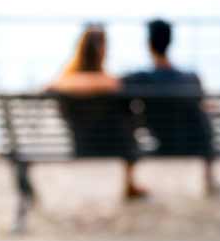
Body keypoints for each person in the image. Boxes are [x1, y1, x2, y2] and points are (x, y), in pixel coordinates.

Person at [47, 24, 147, 199]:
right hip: (116, 145)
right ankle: (129, 184)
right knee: (127, 111)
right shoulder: (110, 82)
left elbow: (51, 86)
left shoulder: (66, 80)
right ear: (102, 49)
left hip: (81, 143)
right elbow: (115, 85)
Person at [123, 19, 217, 193]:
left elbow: (115, 86)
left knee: (126, 113)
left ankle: (129, 183)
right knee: (205, 116)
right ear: (170, 42)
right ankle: (209, 179)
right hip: (194, 144)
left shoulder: (140, 78)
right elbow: (202, 106)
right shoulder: (191, 78)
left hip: (162, 142)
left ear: (149, 44)